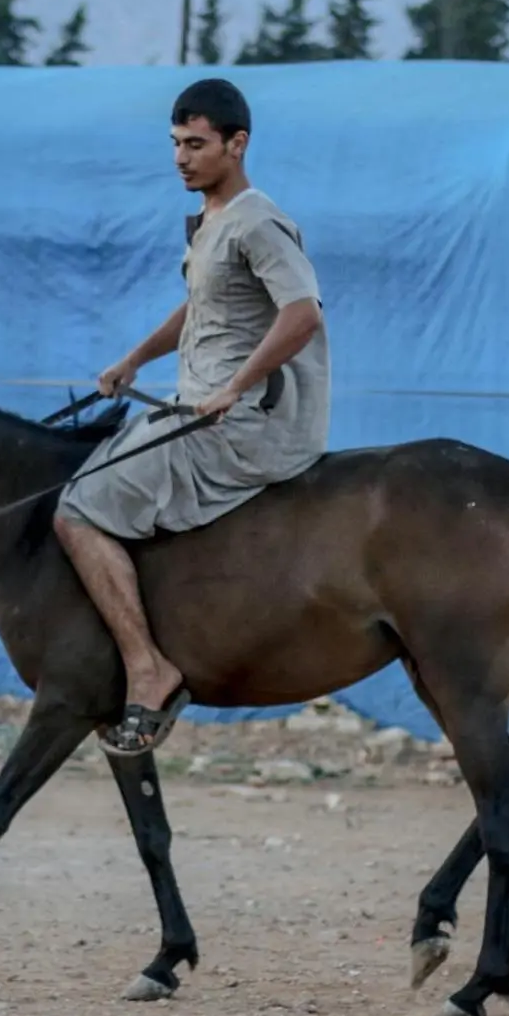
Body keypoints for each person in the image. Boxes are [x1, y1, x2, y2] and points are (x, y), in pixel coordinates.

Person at [55, 77, 330, 756]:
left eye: (196, 145)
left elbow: (302, 315)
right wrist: (134, 360)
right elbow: (201, 310)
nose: (181, 158)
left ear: (237, 145)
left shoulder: (257, 221)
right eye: (176, 144)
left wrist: (235, 386)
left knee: (75, 511)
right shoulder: (212, 222)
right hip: (200, 406)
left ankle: (149, 671)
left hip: (245, 424)